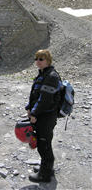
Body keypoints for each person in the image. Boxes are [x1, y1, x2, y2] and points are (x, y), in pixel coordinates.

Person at [25, 49, 62, 183]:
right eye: (36, 59)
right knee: (44, 143)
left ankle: (45, 175)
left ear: (48, 60)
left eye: (41, 59)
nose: (38, 62)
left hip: (46, 117)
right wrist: (29, 107)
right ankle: (46, 168)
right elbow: (35, 95)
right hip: (42, 115)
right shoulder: (42, 74)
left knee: (43, 144)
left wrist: (34, 113)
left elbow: (45, 100)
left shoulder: (51, 76)